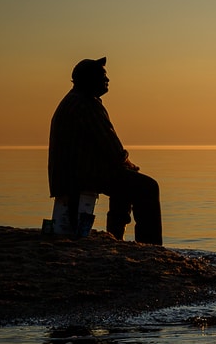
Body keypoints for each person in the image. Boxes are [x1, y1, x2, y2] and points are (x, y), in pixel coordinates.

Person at [48, 57, 163, 245]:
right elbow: (113, 149)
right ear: (88, 80)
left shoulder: (72, 101)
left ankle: (116, 236)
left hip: (68, 174)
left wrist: (124, 165)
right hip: (80, 176)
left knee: (124, 178)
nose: (107, 80)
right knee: (148, 187)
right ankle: (151, 244)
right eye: (102, 76)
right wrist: (129, 164)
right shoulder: (87, 104)